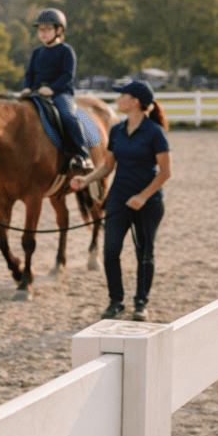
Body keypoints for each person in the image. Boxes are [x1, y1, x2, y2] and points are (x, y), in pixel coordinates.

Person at [70, 80, 171, 322]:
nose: (118, 100)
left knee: (144, 253)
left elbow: (166, 172)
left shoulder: (154, 132)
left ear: (135, 102)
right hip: (117, 198)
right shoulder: (116, 131)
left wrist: (143, 196)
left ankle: (140, 303)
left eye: (122, 96)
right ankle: (116, 301)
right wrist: (86, 180)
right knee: (111, 251)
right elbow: (107, 166)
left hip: (148, 202)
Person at [20, 8, 90, 169]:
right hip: (36, 93)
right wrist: (26, 88)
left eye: (47, 29)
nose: (43, 33)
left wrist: (52, 89)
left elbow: (67, 76)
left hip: (60, 93)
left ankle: (82, 153)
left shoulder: (66, 51)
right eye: (40, 30)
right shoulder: (37, 52)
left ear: (59, 30)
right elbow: (29, 74)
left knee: (67, 116)